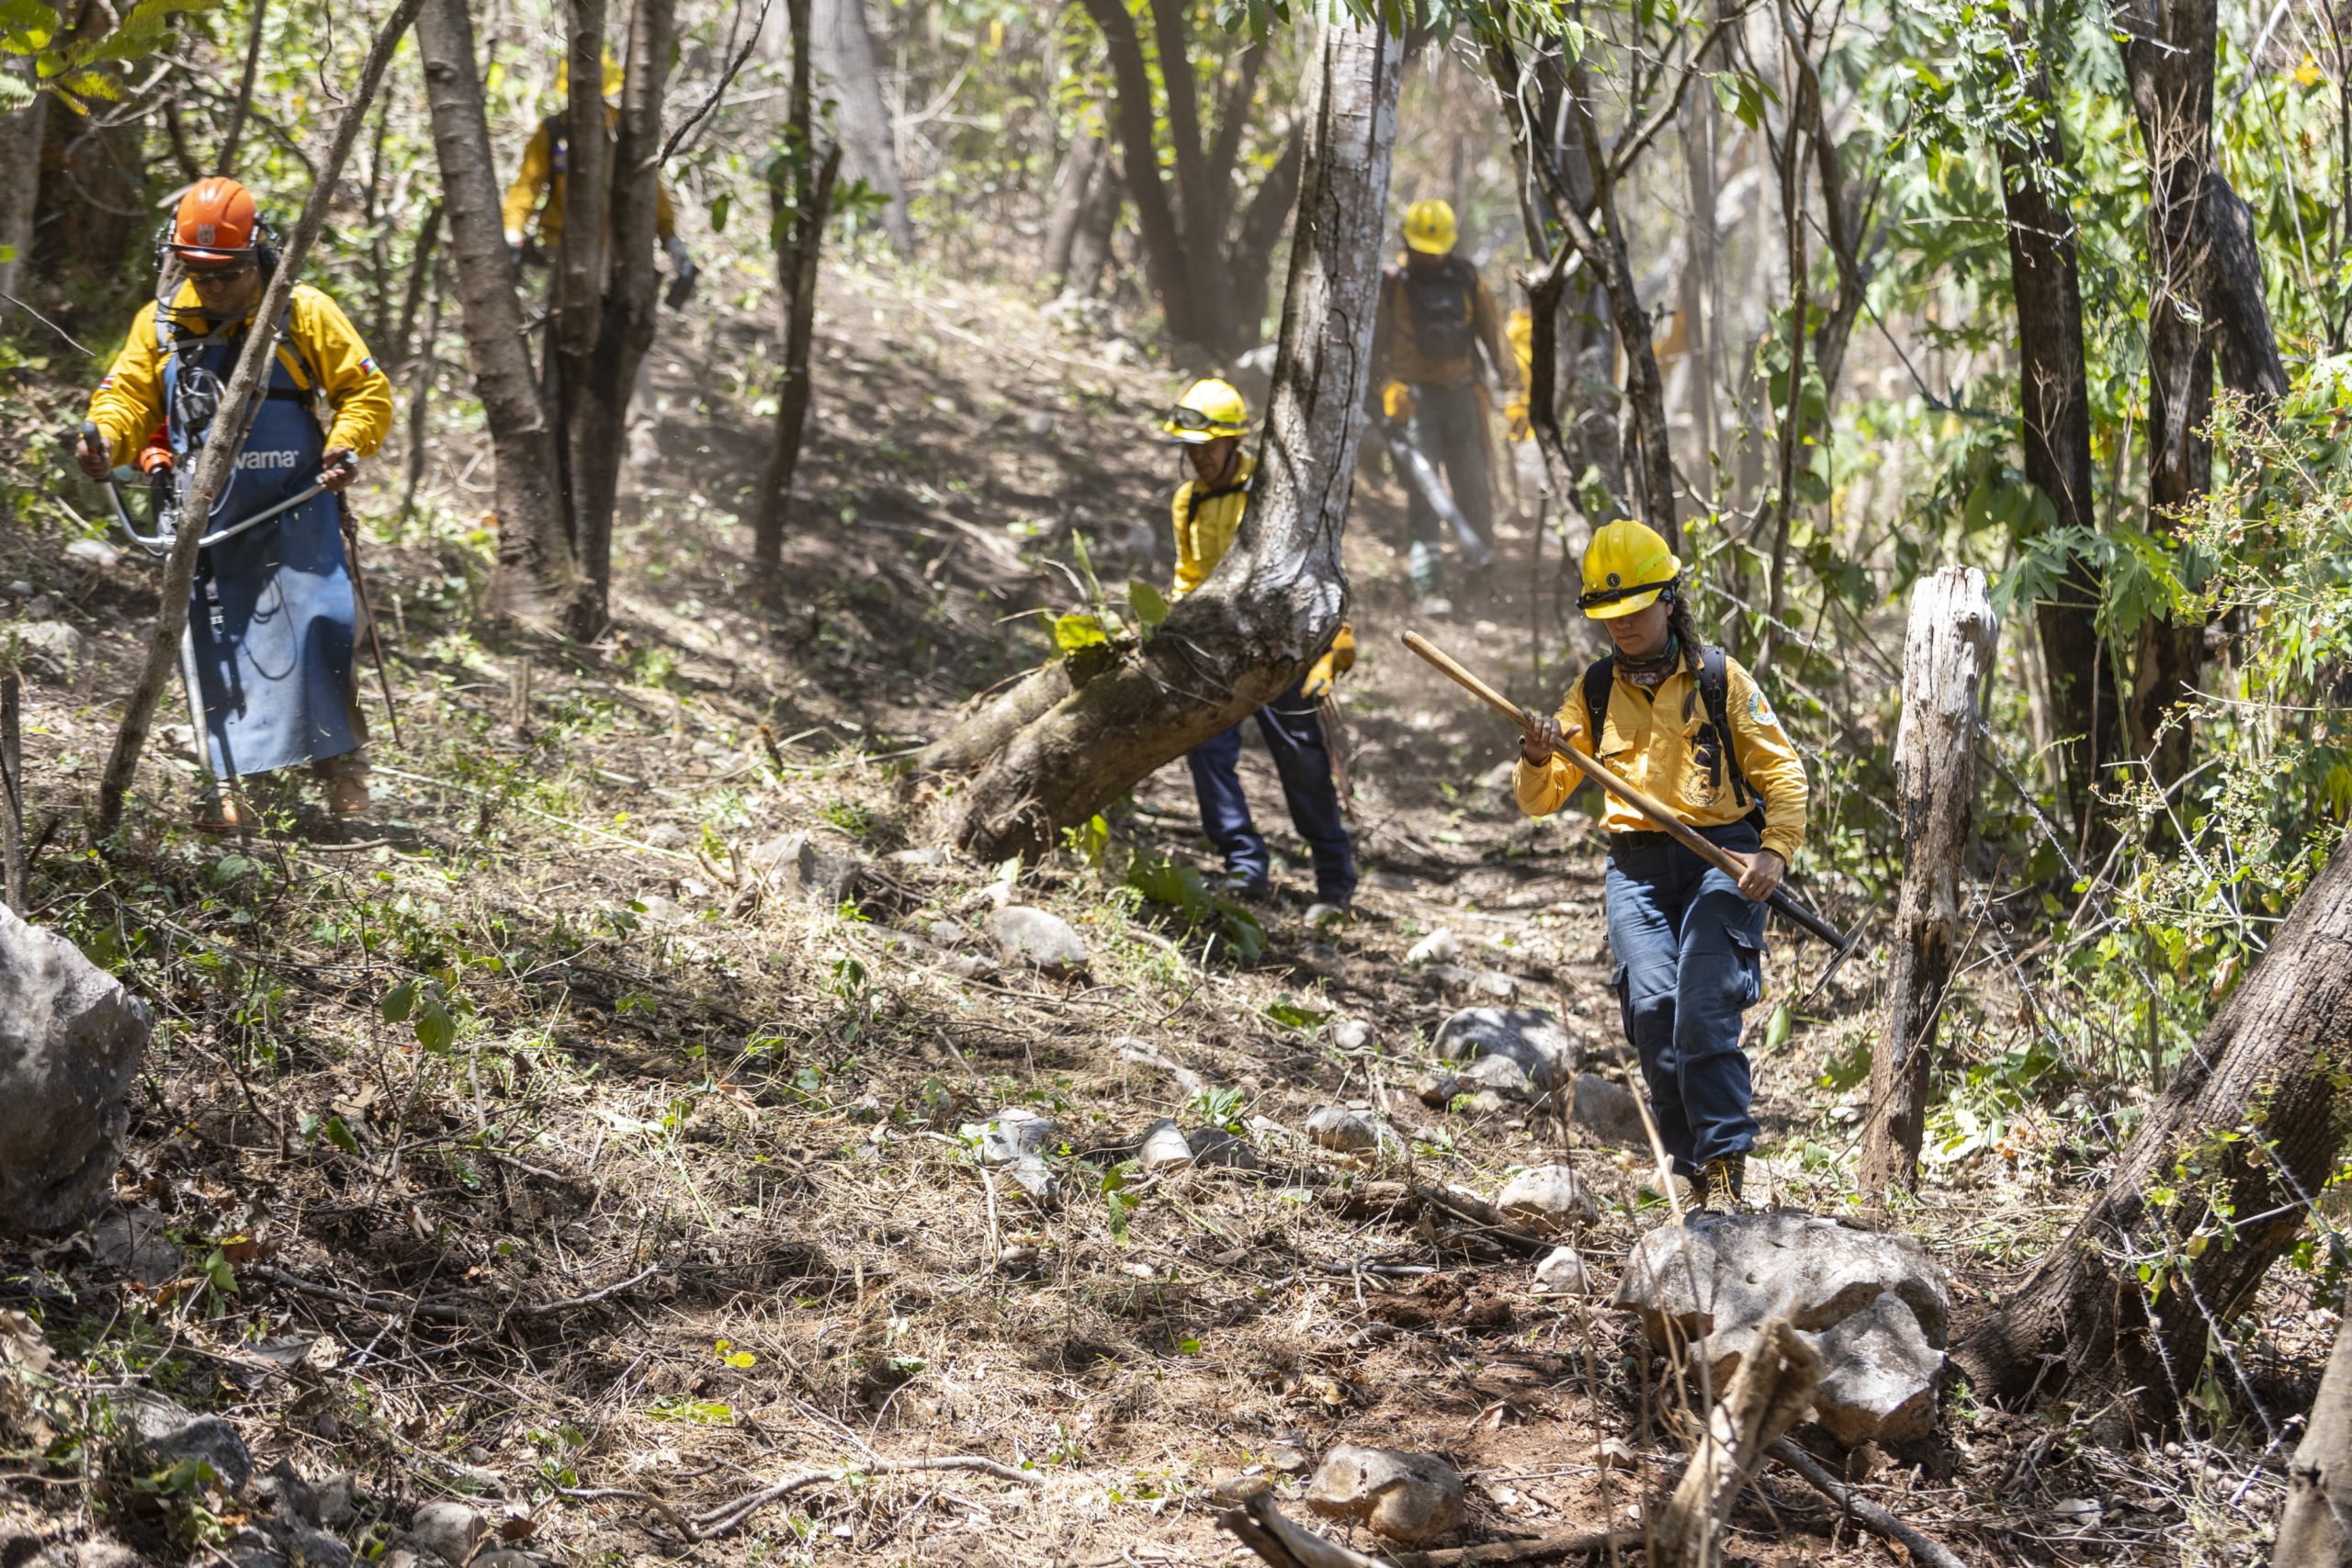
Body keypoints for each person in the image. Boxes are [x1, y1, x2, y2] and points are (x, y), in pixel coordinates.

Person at [76, 176, 394, 829]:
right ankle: (230, 786)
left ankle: (342, 770)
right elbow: (128, 398)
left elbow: (366, 393)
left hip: (297, 500)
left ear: (260, 258)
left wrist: (344, 448)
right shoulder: (161, 322)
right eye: (199, 272)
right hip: (205, 511)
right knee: (212, 639)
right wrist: (106, 440)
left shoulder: (303, 312)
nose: (213, 287)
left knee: (320, 624)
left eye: (228, 273)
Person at [1511, 520, 1809, 1211]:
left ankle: (1727, 1161)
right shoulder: (1590, 692)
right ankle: (1682, 1160)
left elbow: (1785, 774)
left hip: (1721, 860)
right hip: (1636, 871)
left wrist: (1773, 853)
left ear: (1670, 600)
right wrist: (1536, 754)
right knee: (1653, 1010)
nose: (1622, 626)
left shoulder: (1716, 678)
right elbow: (1540, 798)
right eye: (1607, 615)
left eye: (1635, 609)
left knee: (1704, 1008)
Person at [1160, 378, 1356, 919]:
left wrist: (1332, 640)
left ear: (1233, 443)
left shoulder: (1270, 493)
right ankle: (1244, 861)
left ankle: (1334, 875)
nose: (1198, 458)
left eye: (1207, 447)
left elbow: (1313, 566)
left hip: (1280, 651)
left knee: (1301, 758)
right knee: (1208, 752)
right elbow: (1188, 577)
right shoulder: (1188, 502)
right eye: (1190, 448)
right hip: (1215, 653)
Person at [1369, 198, 1519, 607]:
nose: (1431, 259)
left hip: (1464, 398)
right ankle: (1429, 585)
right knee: (1424, 493)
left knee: (1474, 488)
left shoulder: (1469, 280)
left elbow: (1496, 337)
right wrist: (1386, 388)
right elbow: (1373, 346)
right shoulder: (1393, 283)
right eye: (1422, 250)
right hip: (1415, 403)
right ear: (1407, 243)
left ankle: (1480, 577)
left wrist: (1516, 394)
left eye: (1438, 252)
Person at [502, 53, 690, 292]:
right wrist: (512, 231)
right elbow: (527, 185)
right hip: (563, 248)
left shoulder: (623, 130)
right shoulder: (554, 131)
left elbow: (651, 187)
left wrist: (669, 237)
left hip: (619, 251)